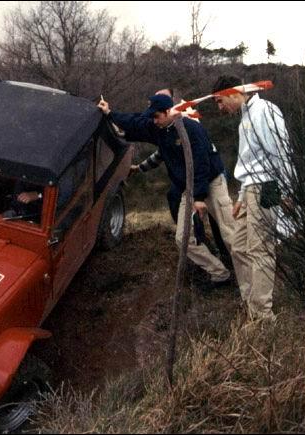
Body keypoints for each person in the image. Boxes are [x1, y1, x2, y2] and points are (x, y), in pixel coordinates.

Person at [98, 94, 236, 291]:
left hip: (211, 182)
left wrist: (198, 197)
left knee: (229, 233)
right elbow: (136, 123)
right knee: (183, 239)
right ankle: (221, 275)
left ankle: (248, 279)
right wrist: (110, 113)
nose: (154, 121)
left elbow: (202, 163)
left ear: (167, 113)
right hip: (188, 188)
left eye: (156, 117)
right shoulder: (159, 129)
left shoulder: (190, 128)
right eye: (152, 118)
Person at [212, 75, 293, 320]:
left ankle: (262, 315)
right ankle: (250, 301)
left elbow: (281, 152)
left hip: (267, 186)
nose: (220, 107)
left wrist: (286, 190)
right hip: (250, 189)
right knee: (238, 246)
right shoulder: (246, 116)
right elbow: (250, 162)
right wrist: (241, 196)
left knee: (261, 250)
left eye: (219, 100)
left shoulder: (265, 111)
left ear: (233, 93)